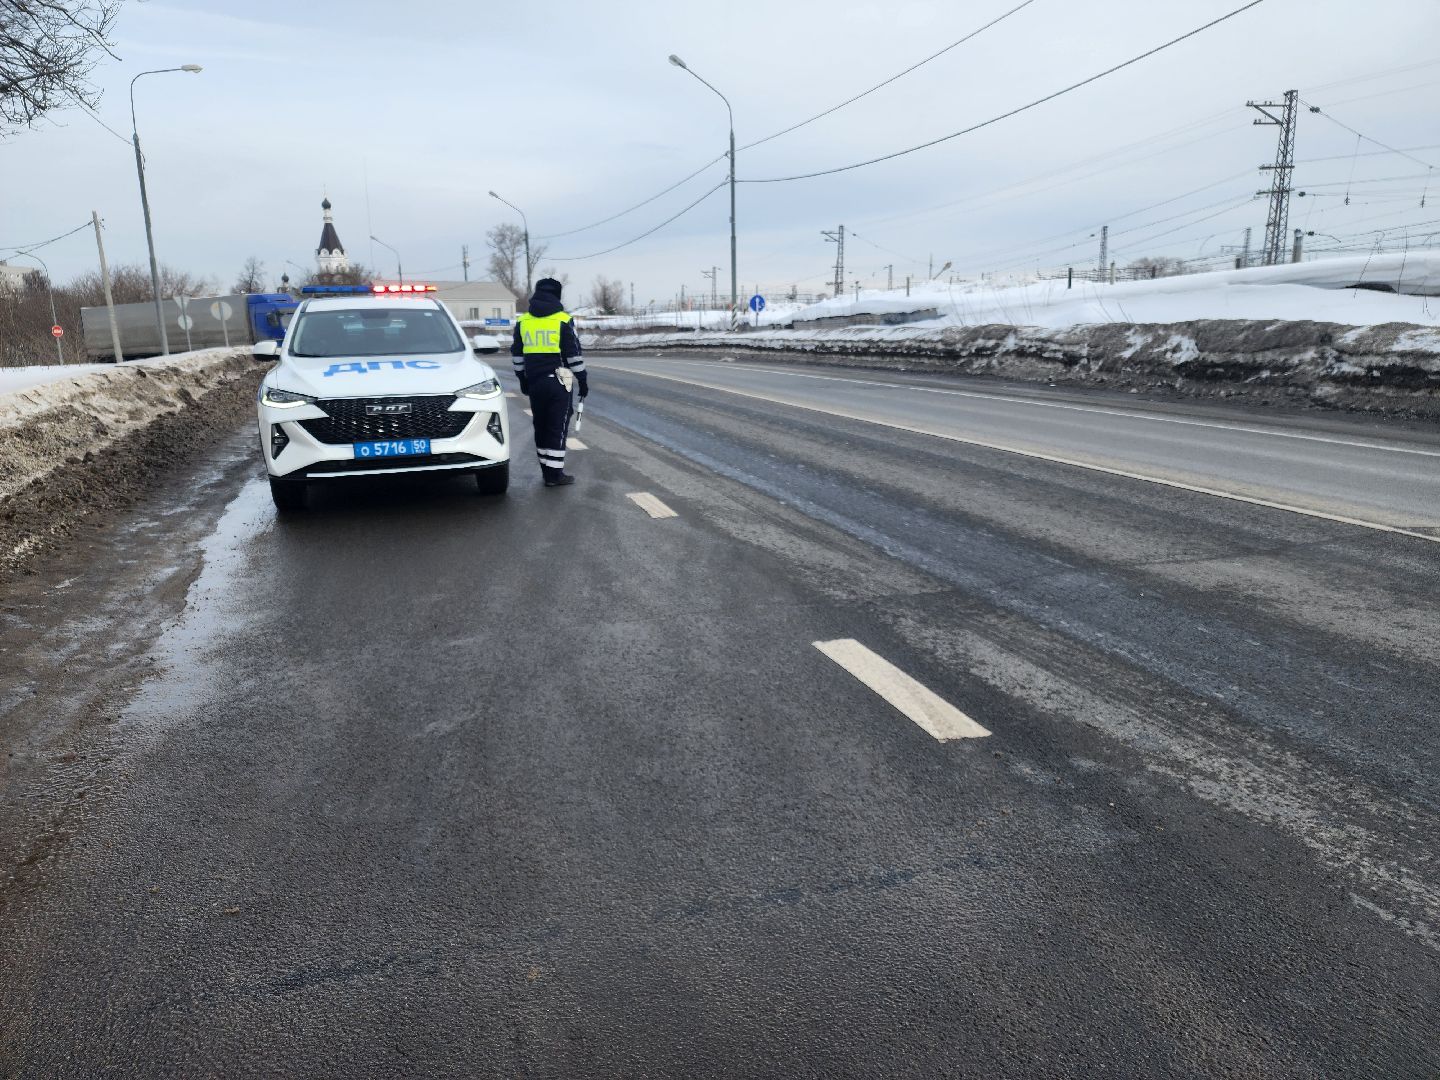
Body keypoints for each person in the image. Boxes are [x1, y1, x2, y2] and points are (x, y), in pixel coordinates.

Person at [510, 278, 588, 487]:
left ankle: (547, 471)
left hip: (535, 383)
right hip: (559, 382)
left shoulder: (524, 321)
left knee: (541, 426)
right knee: (558, 426)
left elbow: (517, 357)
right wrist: (583, 379)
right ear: (557, 295)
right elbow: (573, 356)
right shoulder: (563, 319)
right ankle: (555, 475)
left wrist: (523, 380)